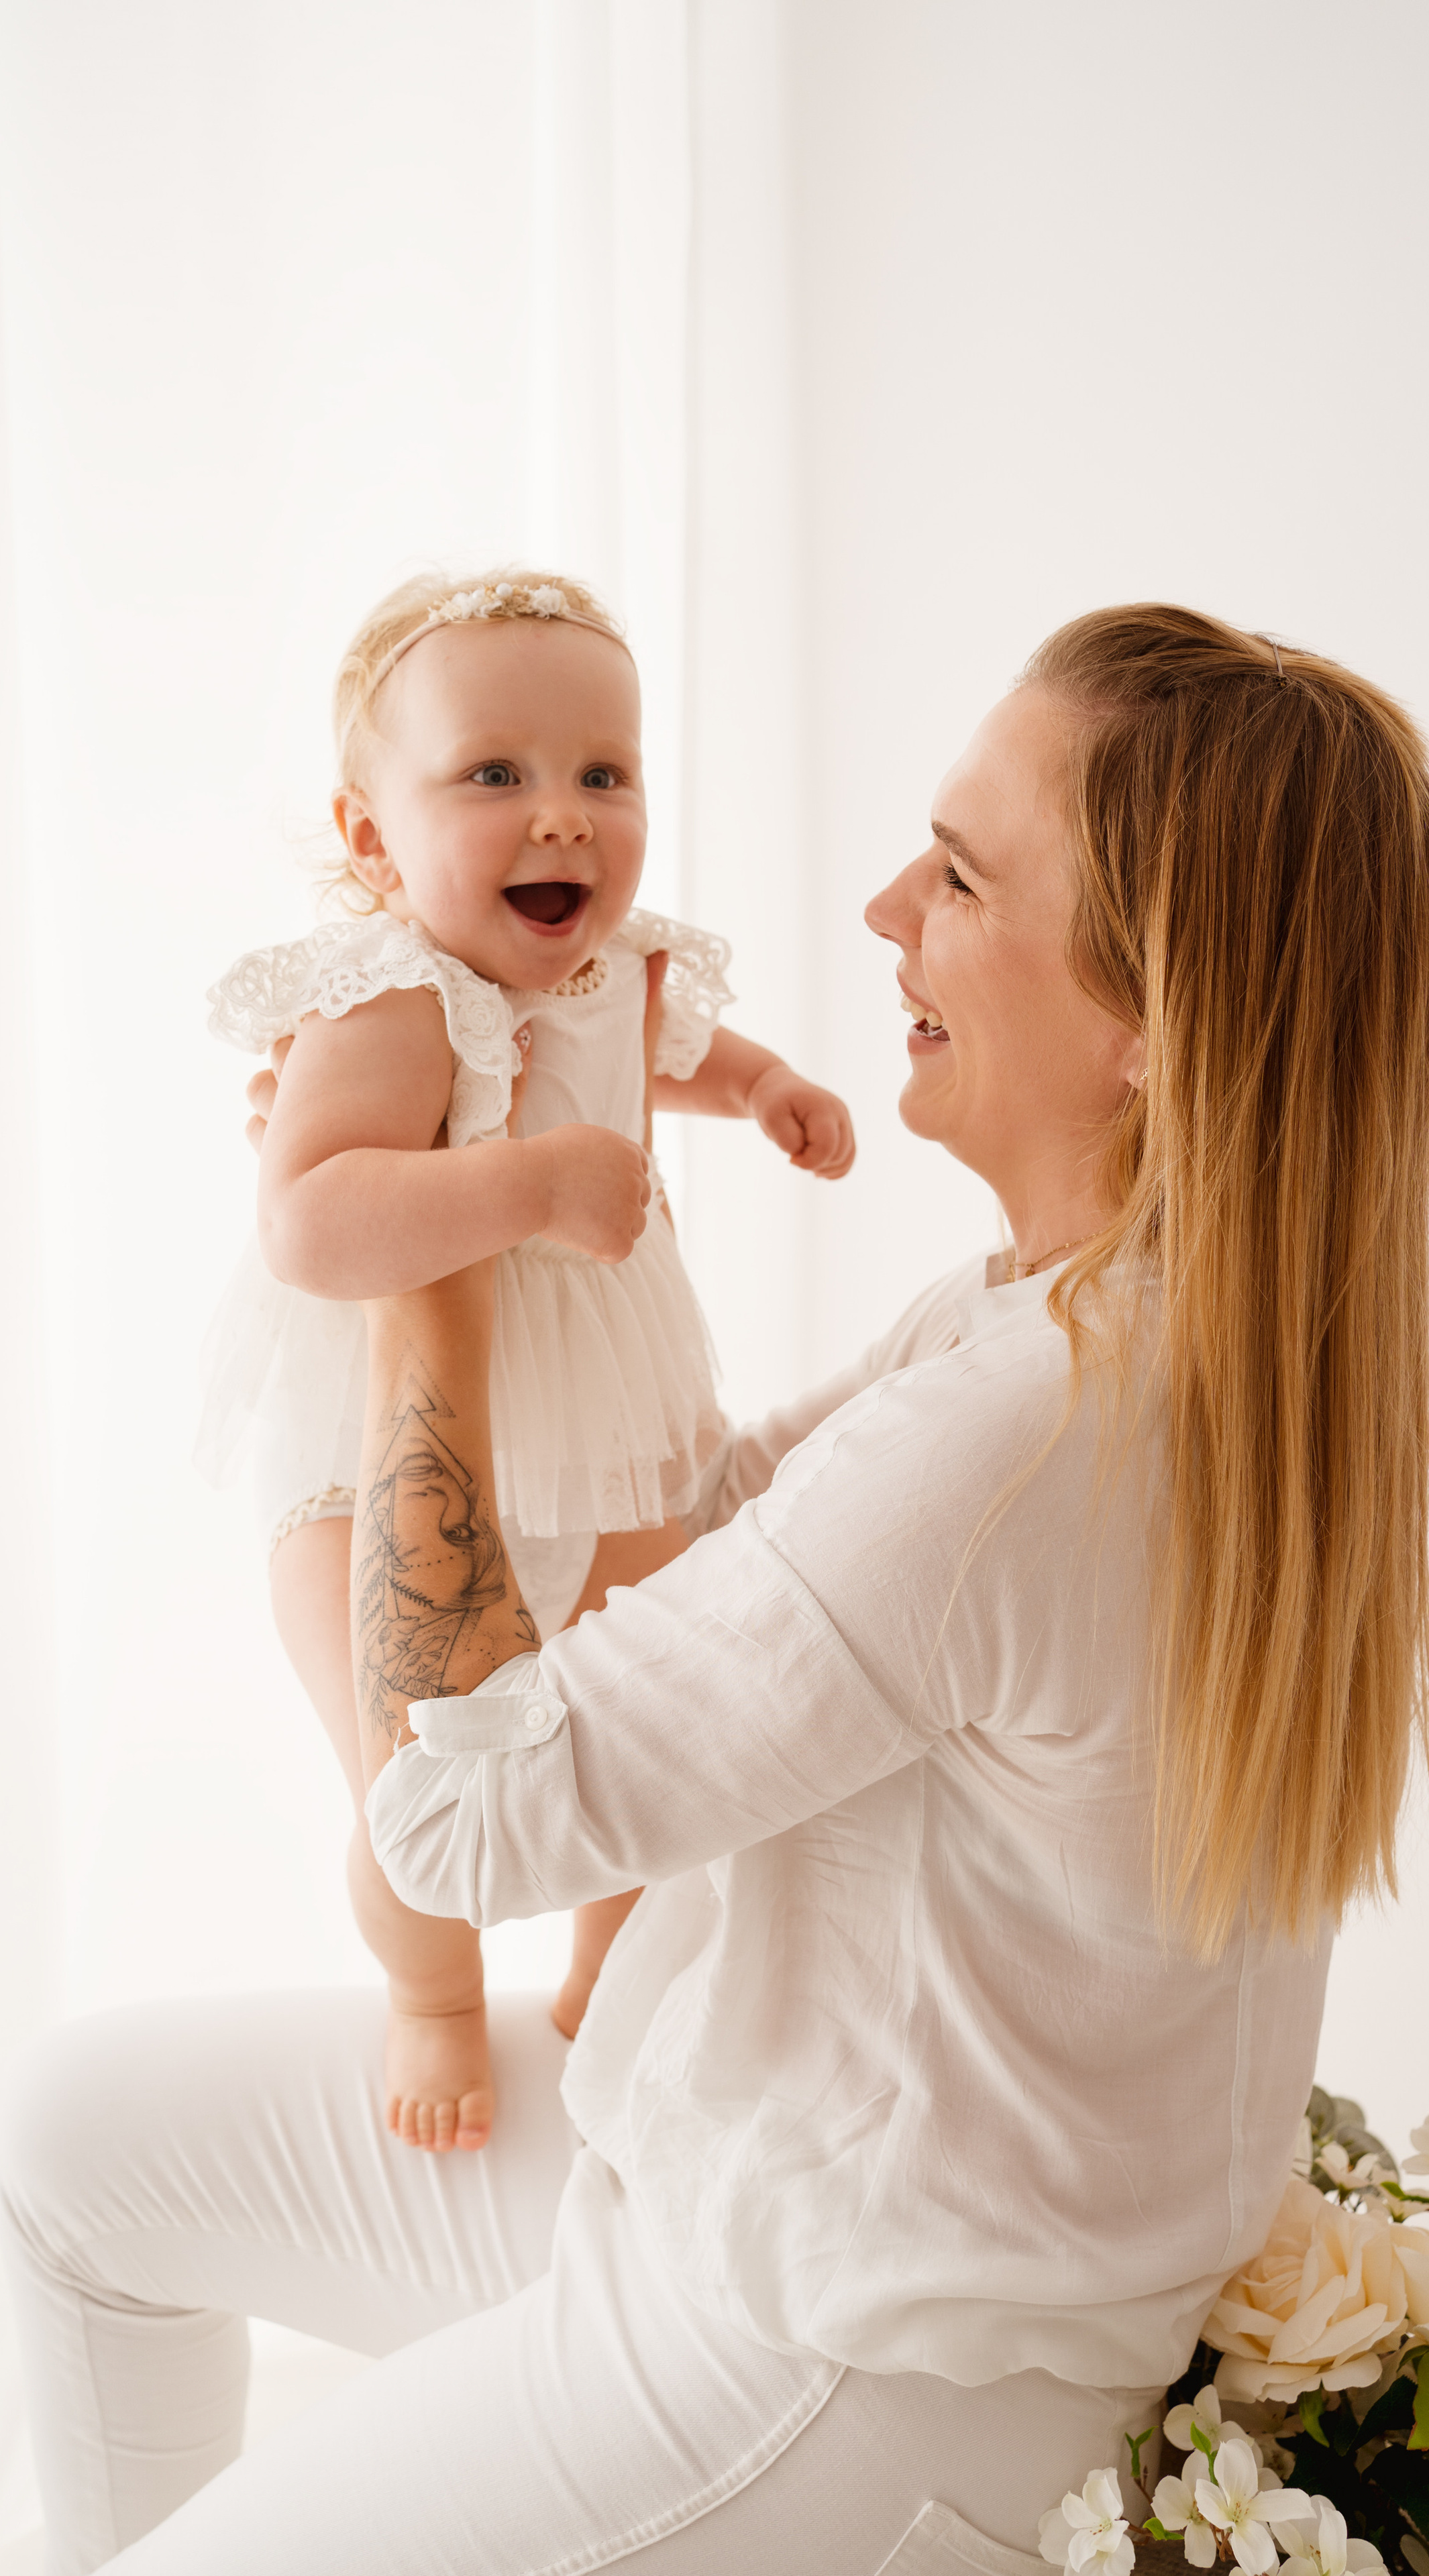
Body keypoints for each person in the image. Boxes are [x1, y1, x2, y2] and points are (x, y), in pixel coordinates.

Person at [0, 605, 1429, 2575]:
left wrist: (428, 1278)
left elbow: (451, 1822)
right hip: (733, 2164)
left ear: (1154, 1023)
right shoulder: (1108, 1328)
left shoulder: (1022, 1436)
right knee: (72, 2146)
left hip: (836, 2352)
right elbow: (715, 1557)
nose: (883, 910)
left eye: (960, 879)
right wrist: (484, 1192)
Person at [196, 568, 855, 2149]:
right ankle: (432, 1992)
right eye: (493, 773)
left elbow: (673, 1053)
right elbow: (307, 1220)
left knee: (634, 1719)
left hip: (608, 1411)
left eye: (602, 774)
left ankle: (609, 1959)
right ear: (371, 839)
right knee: (410, 1769)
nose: (562, 814)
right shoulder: (386, 996)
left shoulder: (617, 969)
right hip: (382, 1442)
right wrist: (531, 1187)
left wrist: (762, 1090)